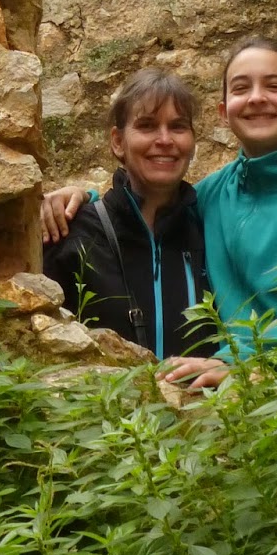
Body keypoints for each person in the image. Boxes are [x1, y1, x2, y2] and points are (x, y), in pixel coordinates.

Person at [42, 35, 277, 390]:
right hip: (217, 393)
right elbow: (145, 207)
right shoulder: (212, 194)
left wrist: (240, 359)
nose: (257, 97)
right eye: (241, 88)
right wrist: (83, 201)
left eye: (274, 86)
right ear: (224, 112)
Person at [43, 69, 217, 360]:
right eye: (147, 126)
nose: (165, 139)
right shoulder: (73, 234)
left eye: (178, 127)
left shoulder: (210, 228)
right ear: (117, 142)